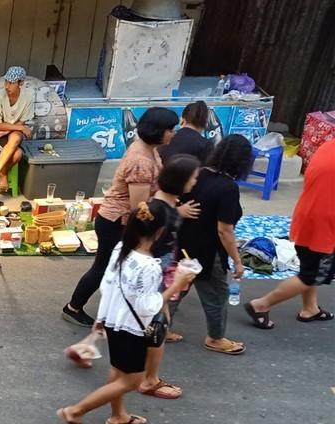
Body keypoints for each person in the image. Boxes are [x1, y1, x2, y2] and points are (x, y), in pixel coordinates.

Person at [57, 203, 197, 424]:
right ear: (161, 231)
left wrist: (101, 318)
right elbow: (148, 307)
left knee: (118, 370)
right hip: (131, 327)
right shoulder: (150, 266)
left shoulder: (121, 248)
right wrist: (178, 285)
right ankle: (75, 411)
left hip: (114, 320)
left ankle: (118, 415)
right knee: (131, 380)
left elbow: (107, 285)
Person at [62, 107, 179, 326]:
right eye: (170, 129)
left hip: (118, 219)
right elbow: (140, 208)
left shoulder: (147, 148)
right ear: (158, 131)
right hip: (117, 221)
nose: (173, 133)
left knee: (110, 267)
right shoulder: (141, 160)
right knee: (104, 267)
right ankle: (74, 307)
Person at [174, 134, 253, 355]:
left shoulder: (198, 174)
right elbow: (224, 230)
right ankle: (216, 338)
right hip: (208, 251)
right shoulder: (228, 187)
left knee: (177, 288)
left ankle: (159, 326)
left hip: (184, 244)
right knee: (217, 295)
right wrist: (237, 261)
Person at [244, 140, 335, 328]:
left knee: (310, 267)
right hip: (324, 225)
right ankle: (261, 304)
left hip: (307, 216)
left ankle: (310, 308)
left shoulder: (328, 147)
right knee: (312, 274)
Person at [138, 155, 201, 400]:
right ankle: (147, 380)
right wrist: (176, 282)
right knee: (157, 327)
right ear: (181, 181)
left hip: (156, 274)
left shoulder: (162, 208)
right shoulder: (160, 213)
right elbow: (143, 249)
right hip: (152, 276)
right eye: (193, 178)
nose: (195, 183)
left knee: (156, 325)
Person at [0, 66, 35, 192]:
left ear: (21, 83)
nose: (7, 86)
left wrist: (18, 127)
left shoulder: (28, 96)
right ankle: (2, 175)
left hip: (13, 133)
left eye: (11, 83)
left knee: (15, 138)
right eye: (6, 82)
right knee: (18, 154)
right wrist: (20, 127)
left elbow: (22, 121)